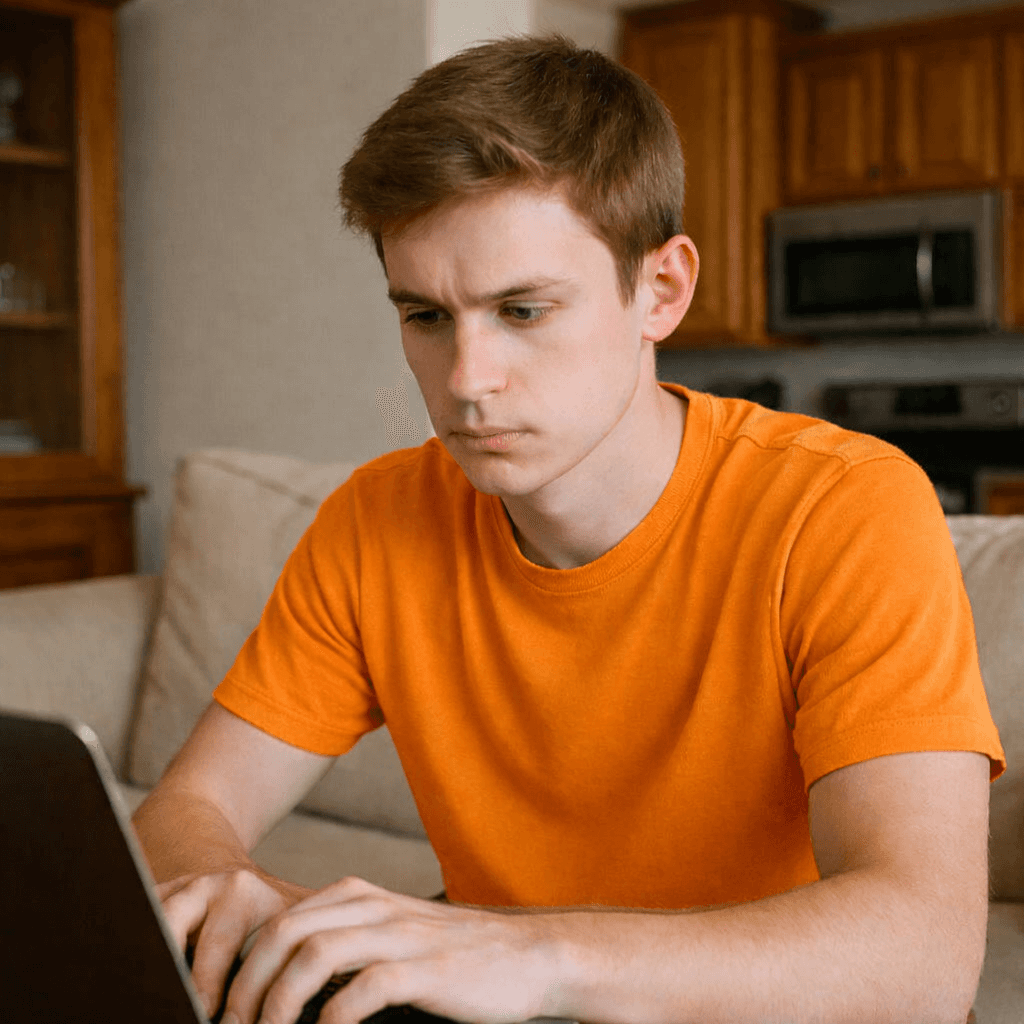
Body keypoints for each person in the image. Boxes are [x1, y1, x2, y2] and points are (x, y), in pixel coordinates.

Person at [133, 34, 1005, 1024]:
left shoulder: (843, 507)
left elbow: (924, 959)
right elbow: (183, 813)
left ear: (661, 291)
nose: (466, 381)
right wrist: (228, 890)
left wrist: (526, 951)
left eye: (521, 309)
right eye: (425, 316)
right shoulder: (375, 521)